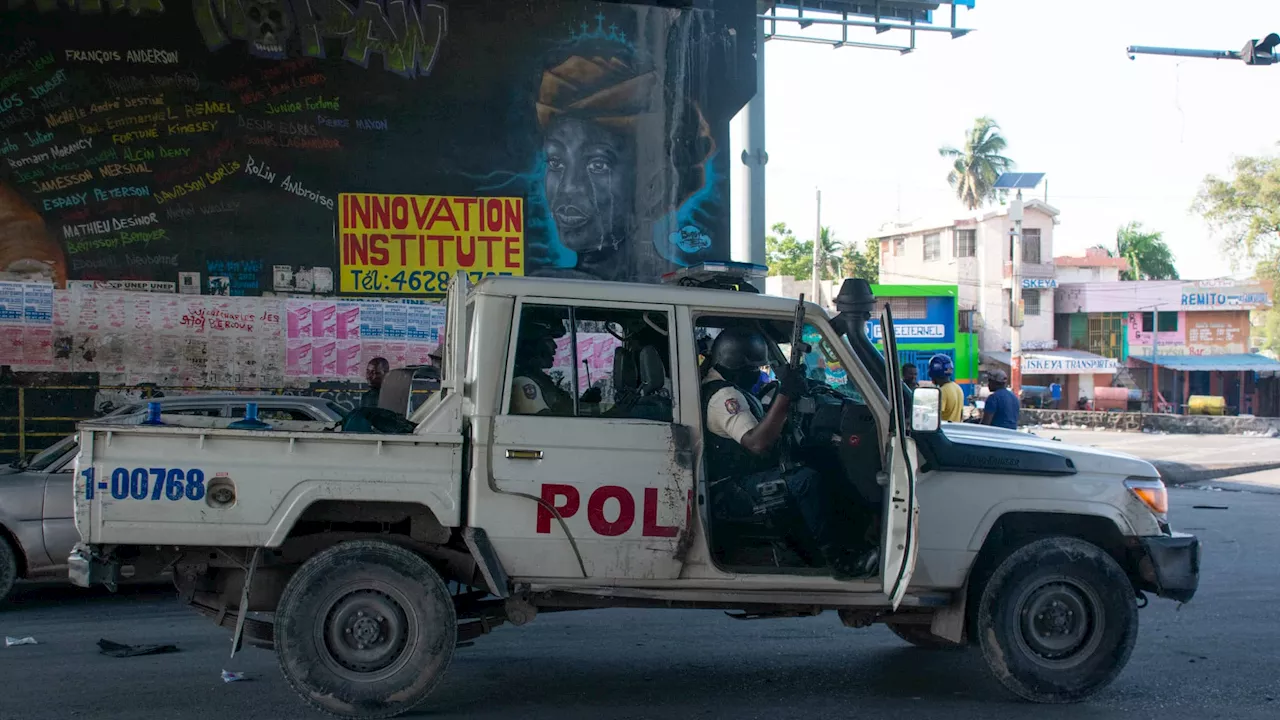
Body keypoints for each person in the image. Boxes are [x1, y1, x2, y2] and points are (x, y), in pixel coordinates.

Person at [702, 325, 878, 580]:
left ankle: (847, 541)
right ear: (736, 365)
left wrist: (782, 394)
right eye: (753, 369)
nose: (756, 374)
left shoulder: (728, 387)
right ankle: (839, 561)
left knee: (818, 458)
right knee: (804, 481)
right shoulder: (724, 396)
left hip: (741, 479)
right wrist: (785, 394)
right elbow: (757, 443)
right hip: (731, 490)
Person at [928, 354, 964, 423]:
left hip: (944, 430)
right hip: (955, 430)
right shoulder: (957, 388)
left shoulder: (942, 391)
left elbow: (935, 416)